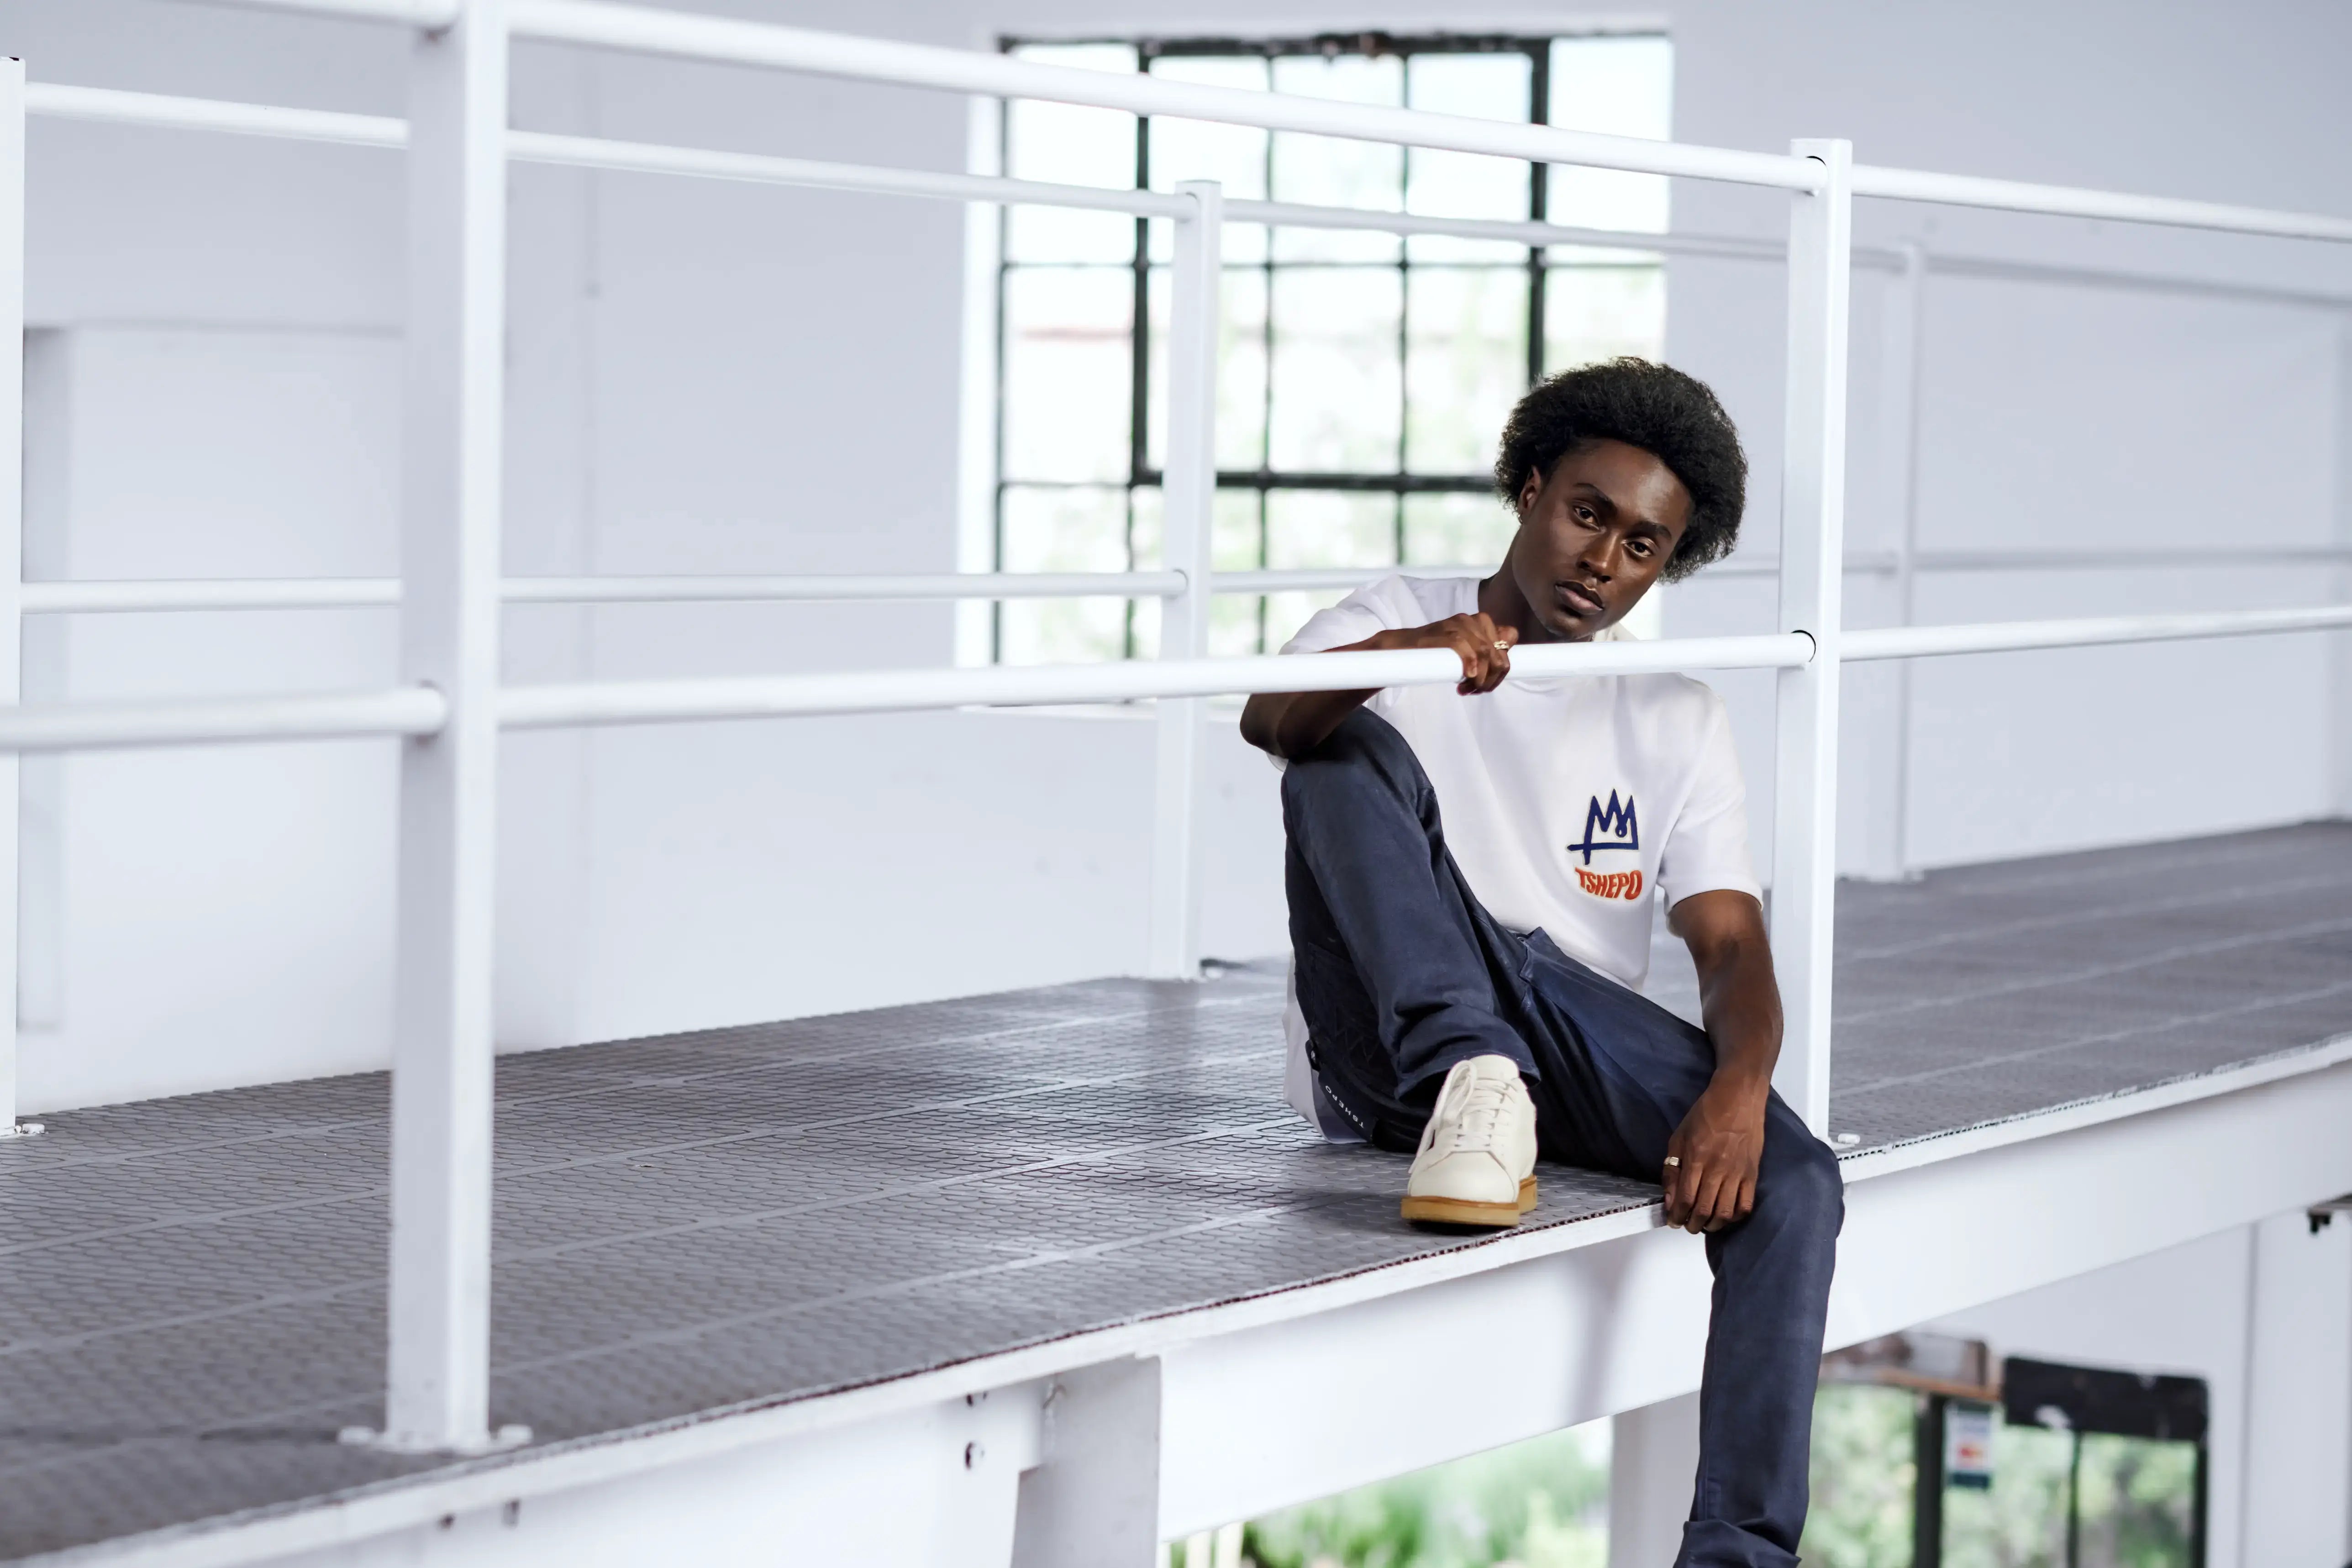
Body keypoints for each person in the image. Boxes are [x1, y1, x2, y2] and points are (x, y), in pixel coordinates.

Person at [1238, 358, 1843, 1568]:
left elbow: (1728, 942)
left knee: (1800, 1178)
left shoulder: (1675, 713)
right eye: (1587, 513)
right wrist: (1416, 651)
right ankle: (1474, 1067)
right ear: (1531, 489)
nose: (1601, 562)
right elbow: (1273, 722)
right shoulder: (1395, 608)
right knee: (1343, 747)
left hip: (1562, 1029)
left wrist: (1739, 1089)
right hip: (1392, 1041)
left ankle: (1739, 1557)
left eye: (1641, 546)